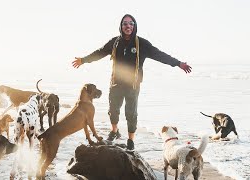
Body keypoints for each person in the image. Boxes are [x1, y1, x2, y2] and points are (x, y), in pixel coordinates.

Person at [72, 14, 192, 150]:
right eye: (125, 24)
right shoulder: (115, 42)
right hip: (116, 83)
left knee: (131, 113)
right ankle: (114, 130)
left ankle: (130, 140)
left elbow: (160, 55)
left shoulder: (142, 44)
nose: (128, 26)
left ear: (134, 26)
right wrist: (83, 60)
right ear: (121, 26)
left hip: (133, 85)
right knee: (113, 110)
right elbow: (100, 52)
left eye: (131, 23)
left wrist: (178, 63)